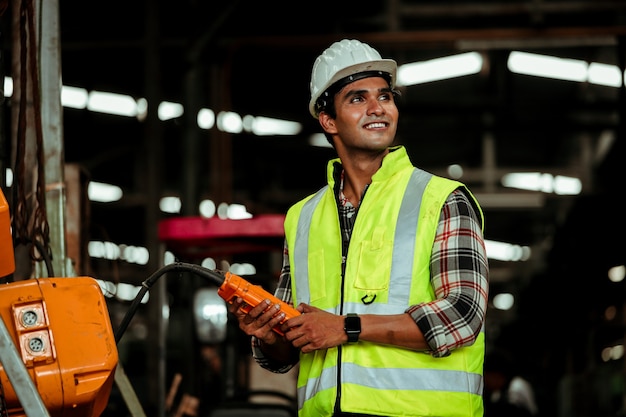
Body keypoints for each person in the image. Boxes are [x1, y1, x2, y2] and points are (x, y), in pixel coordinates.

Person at [228, 38, 490, 417]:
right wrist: (271, 336)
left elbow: (463, 315)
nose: (377, 108)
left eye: (385, 96)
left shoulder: (441, 199)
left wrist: (348, 327)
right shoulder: (302, 218)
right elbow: (290, 347)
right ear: (328, 120)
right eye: (357, 98)